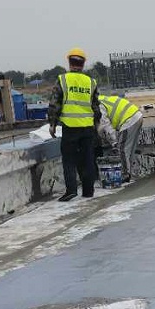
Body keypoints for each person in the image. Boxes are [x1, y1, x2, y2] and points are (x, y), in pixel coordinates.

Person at [48, 48, 101, 201]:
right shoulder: (91, 82)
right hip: (87, 127)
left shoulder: (63, 80)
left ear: (69, 62)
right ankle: (88, 191)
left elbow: (54, 103)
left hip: (70, 127)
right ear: (83, 64)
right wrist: (96, 124)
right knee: (87, 159)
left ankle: (71, 190)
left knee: (69, 160)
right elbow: (95, 106)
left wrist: (52, 123)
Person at [100, 92, 144, 183]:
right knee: (129, 150)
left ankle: (125, 174)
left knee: (122, 149)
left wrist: (114, 142)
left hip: (129, 119)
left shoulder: (98, 106)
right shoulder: (101, 99)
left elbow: (105, 126)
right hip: (136, 115)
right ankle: (130, 173)